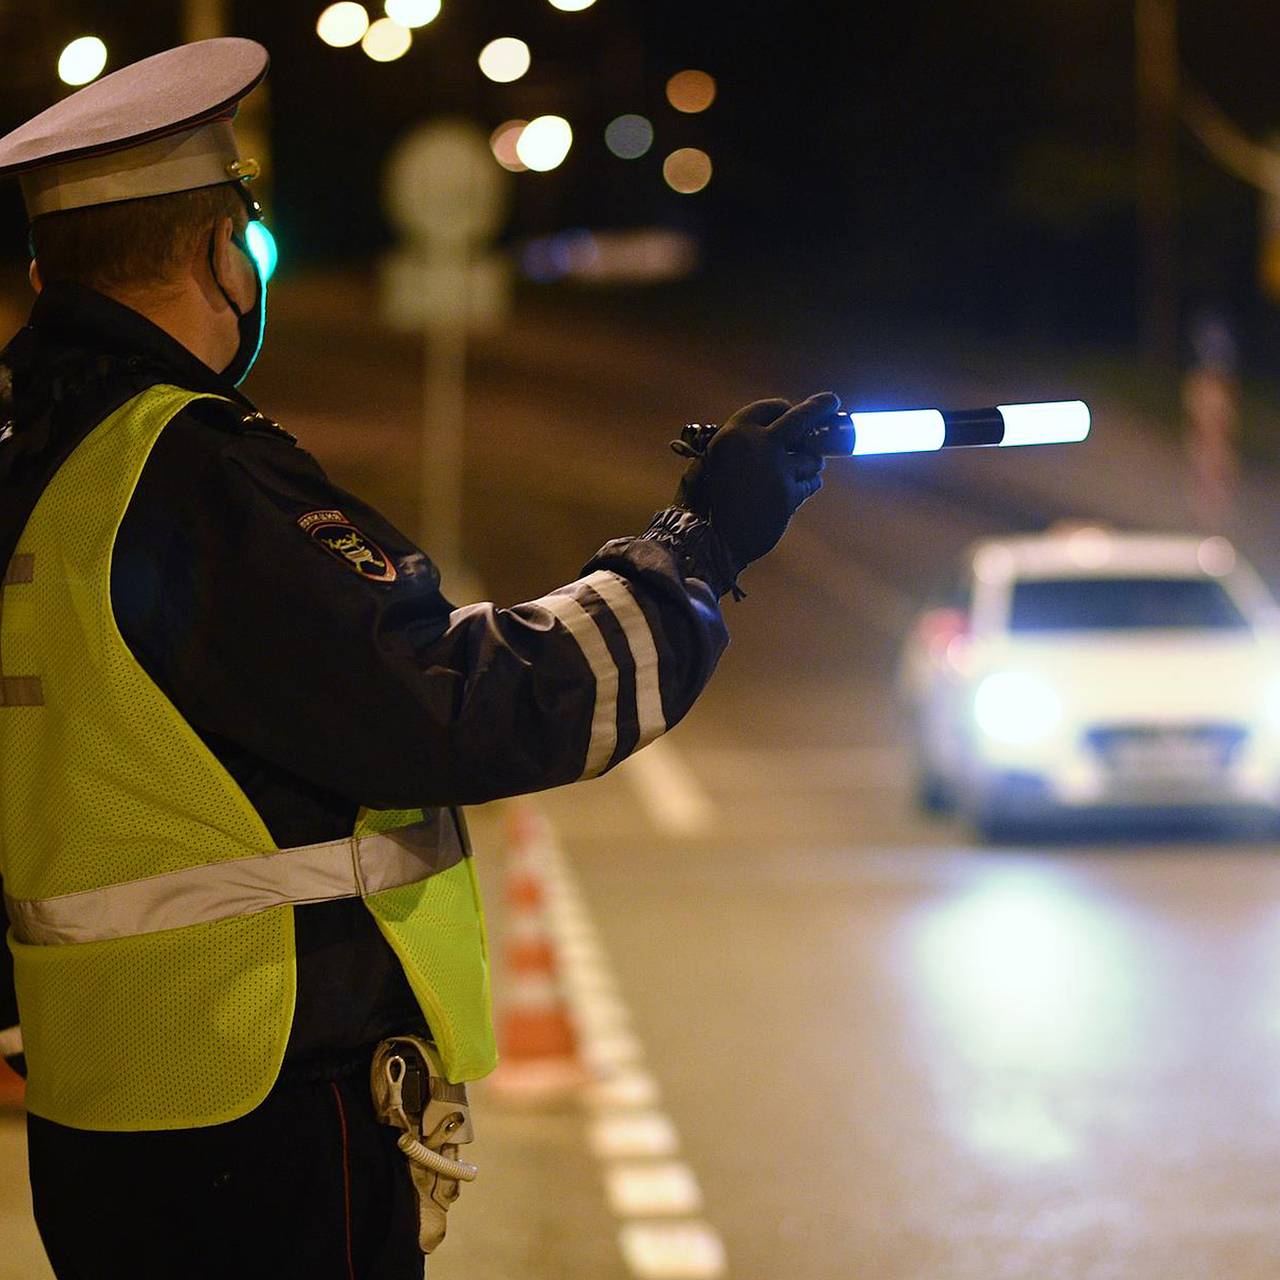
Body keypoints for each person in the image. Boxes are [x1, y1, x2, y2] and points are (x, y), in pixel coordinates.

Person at [0, 38, 831, 1280]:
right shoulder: (192, 474)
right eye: (244, 233)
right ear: (214, 252)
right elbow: (449, 701)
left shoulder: (28, 469)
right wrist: (695, 546)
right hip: (262, 1095)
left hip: (99, 1116)